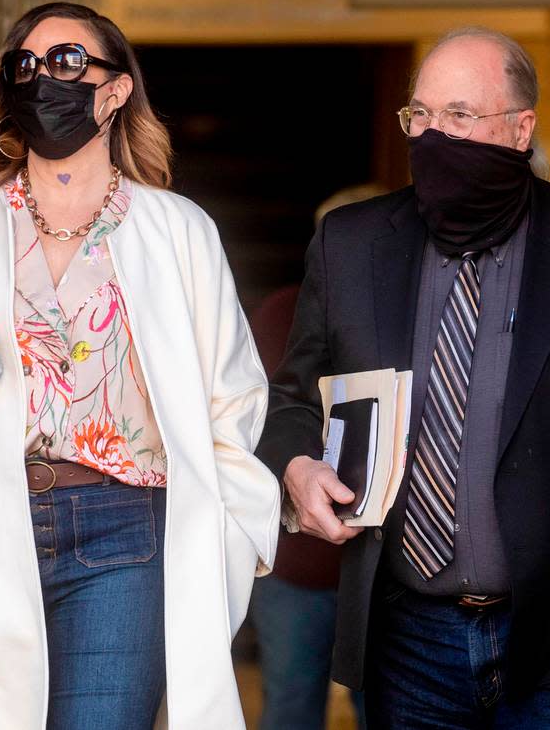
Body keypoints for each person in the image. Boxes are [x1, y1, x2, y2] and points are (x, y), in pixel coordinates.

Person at [256, 26, 550, 729]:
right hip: (407, 636)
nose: (432, 136)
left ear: (521, 130)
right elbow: (294, 397)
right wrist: (297, 463)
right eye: (419, 116)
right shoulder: (353, 245)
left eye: (460, 116)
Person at [0, 2, 279, 730]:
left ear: (115, 91)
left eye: (69, 62)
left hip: (125, 537)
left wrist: (229, 537)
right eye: (27, 66)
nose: (46, 79)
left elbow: (233, 404)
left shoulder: (178, 232)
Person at [247, 186, 383, 730]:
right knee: (291, 708)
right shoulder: (283, 314)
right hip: (296, 565)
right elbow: (255, 419)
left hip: (384, 568)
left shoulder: (419, 322)